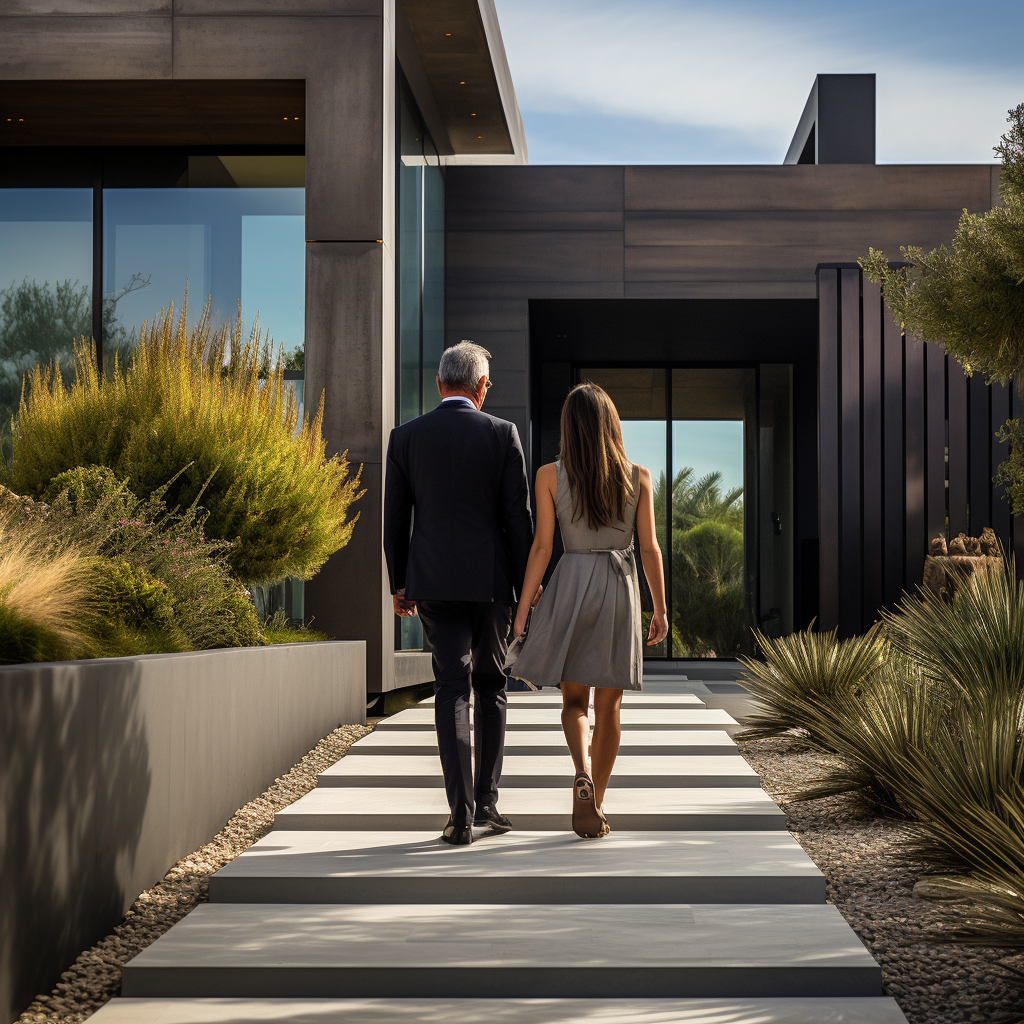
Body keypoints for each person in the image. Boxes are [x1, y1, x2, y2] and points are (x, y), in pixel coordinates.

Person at [384, 341, 535, 846]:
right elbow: (519, 522)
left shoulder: (405, 438)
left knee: (451, 688)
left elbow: (395, 520)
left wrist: (399, 583)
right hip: (492, 585)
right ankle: (488, 803)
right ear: (482, 387)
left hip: (433, 582)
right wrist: (526, 591)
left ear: (439, 384)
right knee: (491, 686)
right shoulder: (502, 434)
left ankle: (459, 815)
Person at [507, 383, 668, 839]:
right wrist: (659, 608)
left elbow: (542, 548)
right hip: (619, 588)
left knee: (573, 702)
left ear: (568, 428)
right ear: (611, 424)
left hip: (571, 584)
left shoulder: (548, 476)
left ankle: (580, 771)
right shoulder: (638, 476)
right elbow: (651, 548)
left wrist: (522, 614)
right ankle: (595, 798)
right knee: (609, 708)